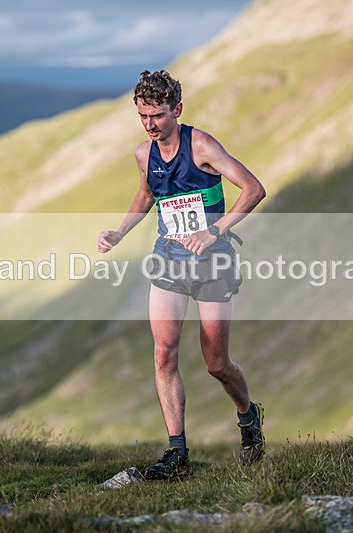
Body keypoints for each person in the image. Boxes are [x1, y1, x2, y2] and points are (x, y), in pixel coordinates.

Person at [97, 69, 267, 479]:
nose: (151, 124)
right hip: (168, 259)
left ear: (177, 109)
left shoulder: (202, 145)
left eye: (157, 115)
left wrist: (213, 231)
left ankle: (248, 417)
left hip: (213, 262)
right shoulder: (144, 154)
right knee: (163, 353)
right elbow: (145, 195)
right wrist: (119, 233)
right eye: (143, 116)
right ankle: (177, 455)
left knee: (216, 363)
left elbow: (254, 189)